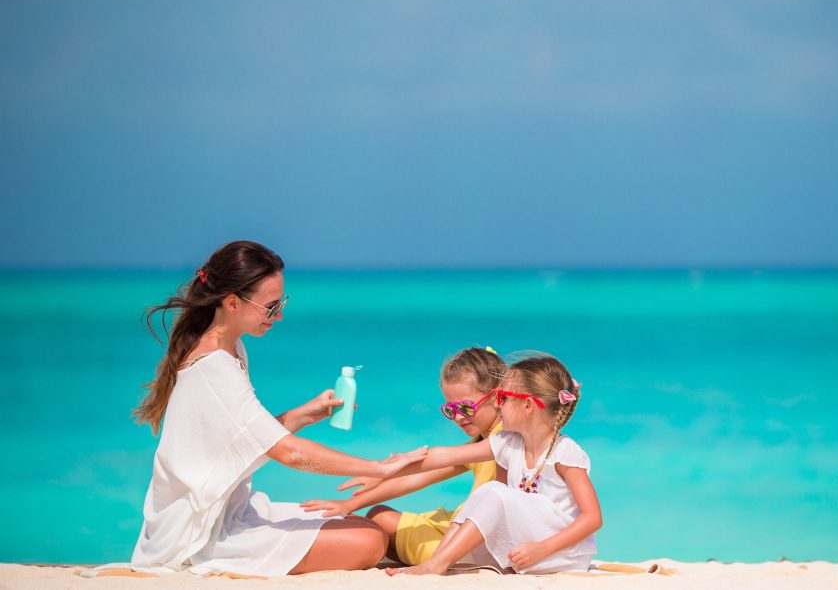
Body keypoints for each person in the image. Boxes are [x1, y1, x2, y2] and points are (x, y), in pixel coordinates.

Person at [129, 240, 426, 576]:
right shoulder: (214, 366)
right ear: (232, 302)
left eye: (281, 303)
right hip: (200, 534)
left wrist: (301, 415)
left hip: (230, 510)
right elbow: (288, 453)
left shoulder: (231, 347)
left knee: (362, 526)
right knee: (368, 541)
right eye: (271, 307)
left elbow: (243, 438)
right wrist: (379, 469)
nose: (280, 315)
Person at [385, 355, 601, 575]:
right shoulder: (508, 444)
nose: (497, 404)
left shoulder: (565, 452)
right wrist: (382, 469)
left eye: (504, 397)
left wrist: (541, 549)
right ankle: (439, 561)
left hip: (560, 553)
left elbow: (592, 518)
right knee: (484, 494)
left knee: (493, 491)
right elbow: (445, 456)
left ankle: (437, 564)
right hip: (526, 546)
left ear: (527, 406)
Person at [300, 346, 506, 565]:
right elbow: (419, 477)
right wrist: (354, 500)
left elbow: (438, 457)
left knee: (374, 526)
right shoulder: (481, 441)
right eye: (450, 410)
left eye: (465, 408)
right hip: (459, 522)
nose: (458, 417)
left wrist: (378, 473)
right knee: (377, 514)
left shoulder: (504, 438)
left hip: (471, 539)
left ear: (497, 396)